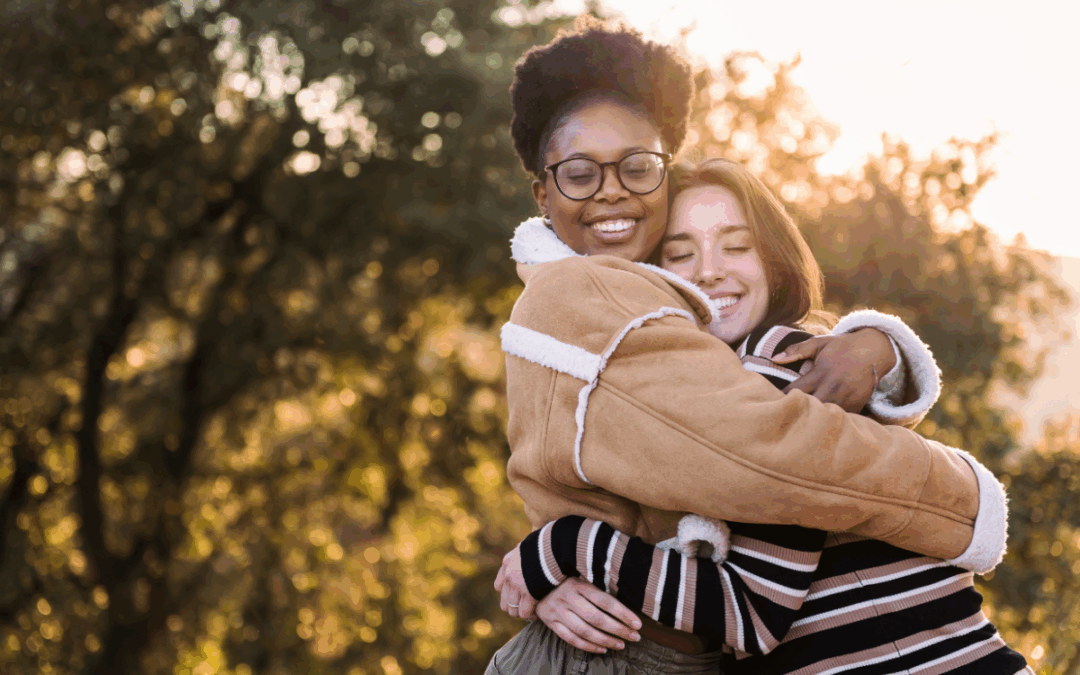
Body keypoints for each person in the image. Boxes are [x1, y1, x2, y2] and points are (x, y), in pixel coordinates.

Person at [487, 17, 1007, 675]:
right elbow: (754, 465)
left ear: (776, 256)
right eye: (682, 252)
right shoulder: (587, 303)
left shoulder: (773, 365)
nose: (708, 270)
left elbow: (744, 568)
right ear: (543, 191)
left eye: (736, 245)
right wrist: (546, 555)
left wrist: (555, 549)